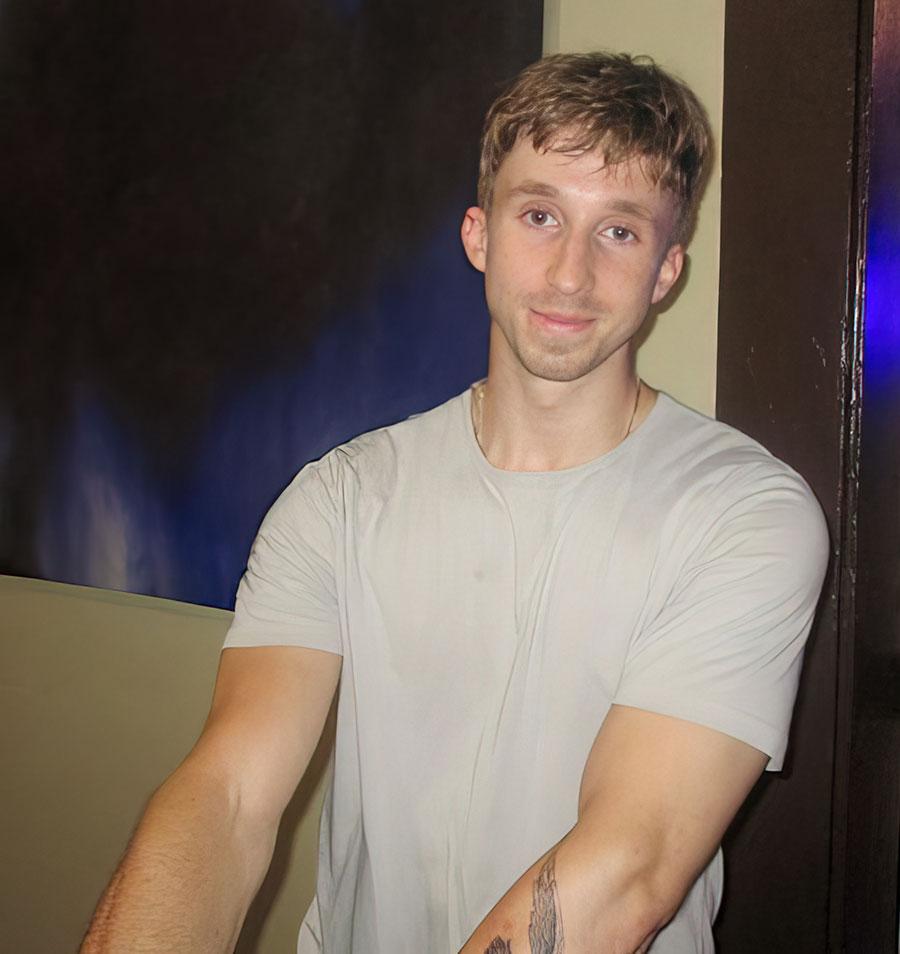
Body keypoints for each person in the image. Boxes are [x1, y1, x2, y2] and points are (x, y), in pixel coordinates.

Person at [81, 52, 829, 953]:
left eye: (620, 232)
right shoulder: (344, 498)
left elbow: (629, 866)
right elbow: (229, 793)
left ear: (668, 270)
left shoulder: (745, 514)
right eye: (540, 215)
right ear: (479, 235)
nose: (568, 274)